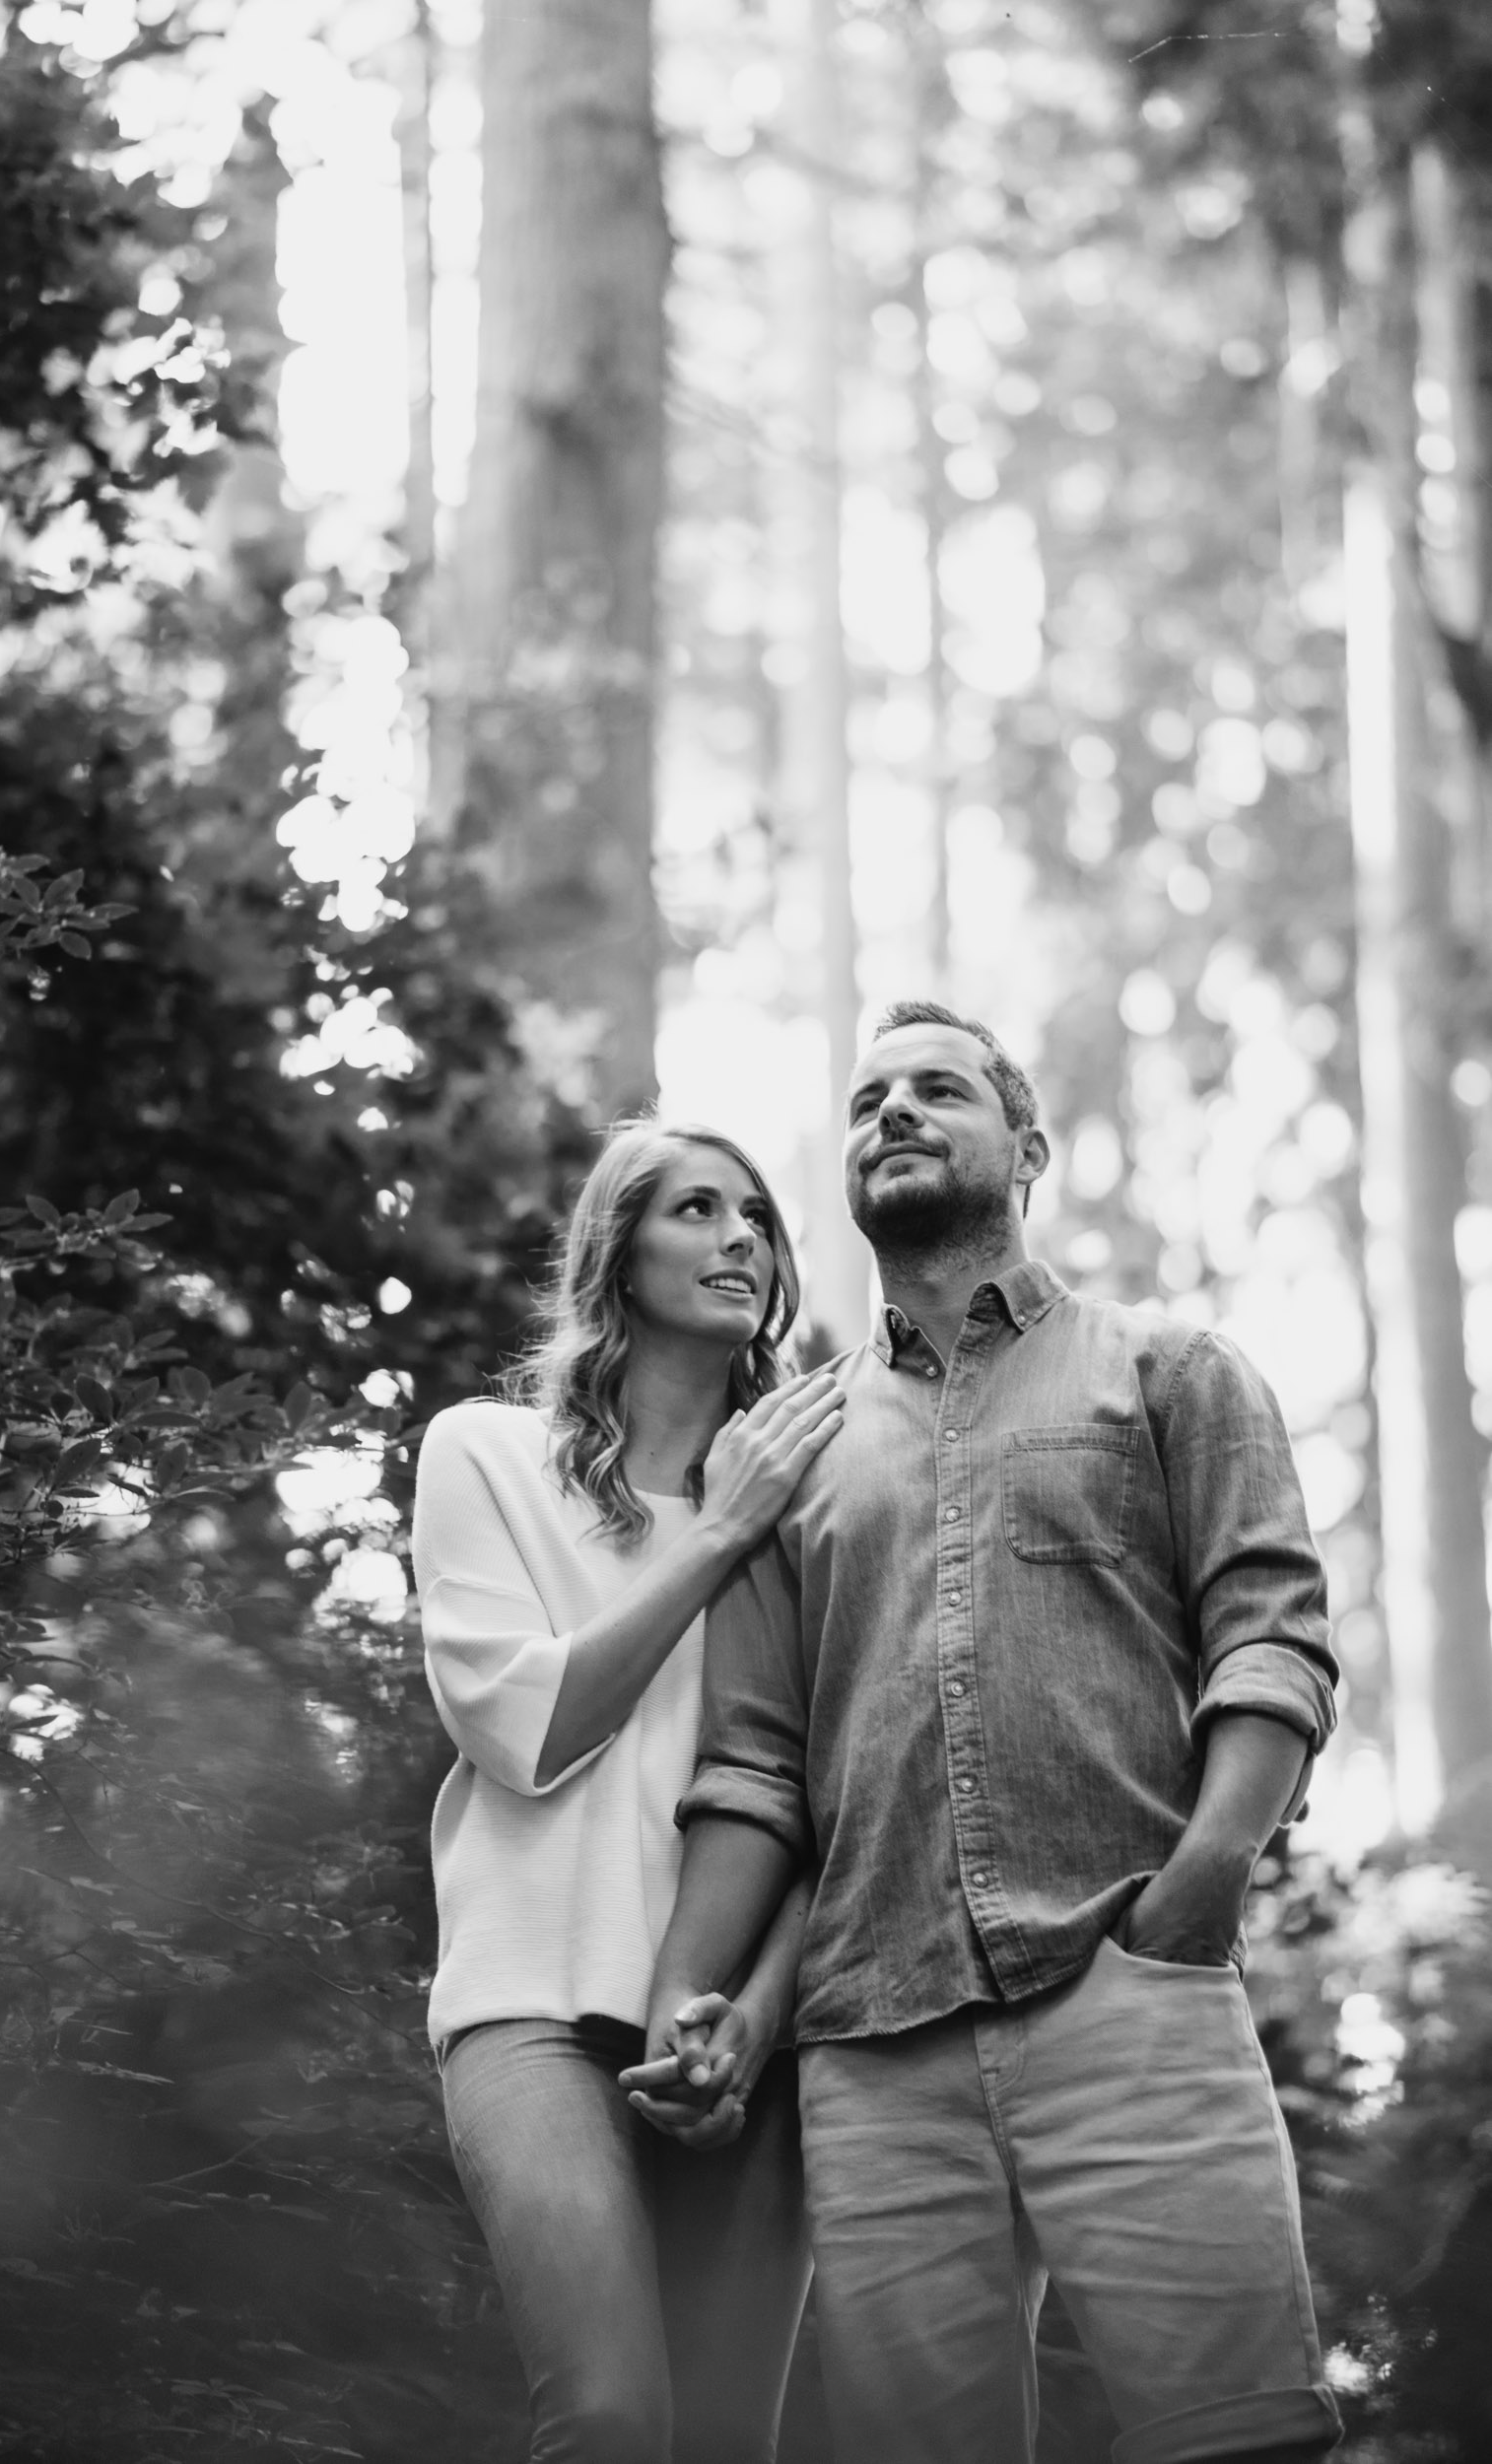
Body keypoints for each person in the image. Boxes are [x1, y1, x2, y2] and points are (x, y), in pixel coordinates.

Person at [626, 1000, 1344, 2464]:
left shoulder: (1167, 1368)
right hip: (870, 2054)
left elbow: (1270, 1643)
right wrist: (713, 2008)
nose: (889, 1112)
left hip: (1128, 1987)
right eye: (865, 1099)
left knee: (1238, 2439)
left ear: (1024, 1148)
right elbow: (759, 1771)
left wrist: (1199, 1884)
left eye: (934, 1091)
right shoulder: (795, 1449)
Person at [413, 1119, 843, 2464]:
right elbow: (525, 1731)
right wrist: (718, 1529)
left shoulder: (818, 1503)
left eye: (756, 1219)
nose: (736, 1240)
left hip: (735, 2037)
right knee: (605, 2415)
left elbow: (846, 1797)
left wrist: (760, 2014)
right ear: (618, 1251)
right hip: (530, 2007)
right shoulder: (486, 1454)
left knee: (725, 2441)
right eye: (696, 1211)